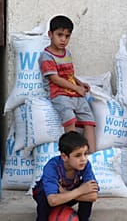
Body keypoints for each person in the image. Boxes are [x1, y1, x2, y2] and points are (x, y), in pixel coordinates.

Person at [39, 15, 96, 153]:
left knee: (89, 120)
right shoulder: (46, 56)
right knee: (70, 120)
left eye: (67, 36)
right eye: (60, 35)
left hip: (74, 93)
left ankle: (92, 155)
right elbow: (55, 79)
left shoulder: (67, 53)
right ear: (50, 34)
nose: (63, 39)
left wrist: (80, 83)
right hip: (59, 94)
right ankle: (73, 153)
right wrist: (76, 88)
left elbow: (69, 74)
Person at [32, 131, 99, 221]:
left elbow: (93, 196)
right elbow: (52, 200)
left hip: (64, 194)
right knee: (43, 190)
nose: (83, 159)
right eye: (78, 155)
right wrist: (80, 191)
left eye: (85, 154)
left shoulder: (85, 164)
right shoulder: (52, 166)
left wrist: (65, 192)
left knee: (87, 188)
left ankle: (83, 219)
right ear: (64, 157)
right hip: (48, 197)